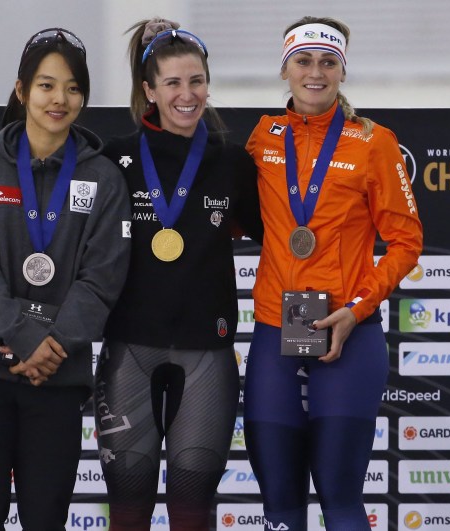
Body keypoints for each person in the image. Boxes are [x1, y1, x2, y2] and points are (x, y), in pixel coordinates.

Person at [0, 27, 131, 531]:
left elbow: (101, 278)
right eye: (47, 86)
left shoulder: (103, 177)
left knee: (46, 516)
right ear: (23, 91)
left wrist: (53, 345)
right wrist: (26, 336)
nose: (59, 99)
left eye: (72, 88)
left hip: (57, 375)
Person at [242, 16, 423, 530]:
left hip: (349, 331)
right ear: (286, 69)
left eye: (328, 62)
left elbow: (407, 242)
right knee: (278, 499)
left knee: (340, 495)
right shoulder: (264, 137)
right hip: (276, 331)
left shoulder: (373, 142)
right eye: (303, 61)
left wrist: (357, 308)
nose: (315, 73)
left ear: (342, 71)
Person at [94, 18, 263, 531]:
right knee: (128, 498)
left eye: (196, 82)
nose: (186, 95)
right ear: (149, 90)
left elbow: (281, 236)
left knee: (192, 502)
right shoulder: (113, 159)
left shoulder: (233, 163)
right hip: (129, 349)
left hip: (206, 353)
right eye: (172, 83)